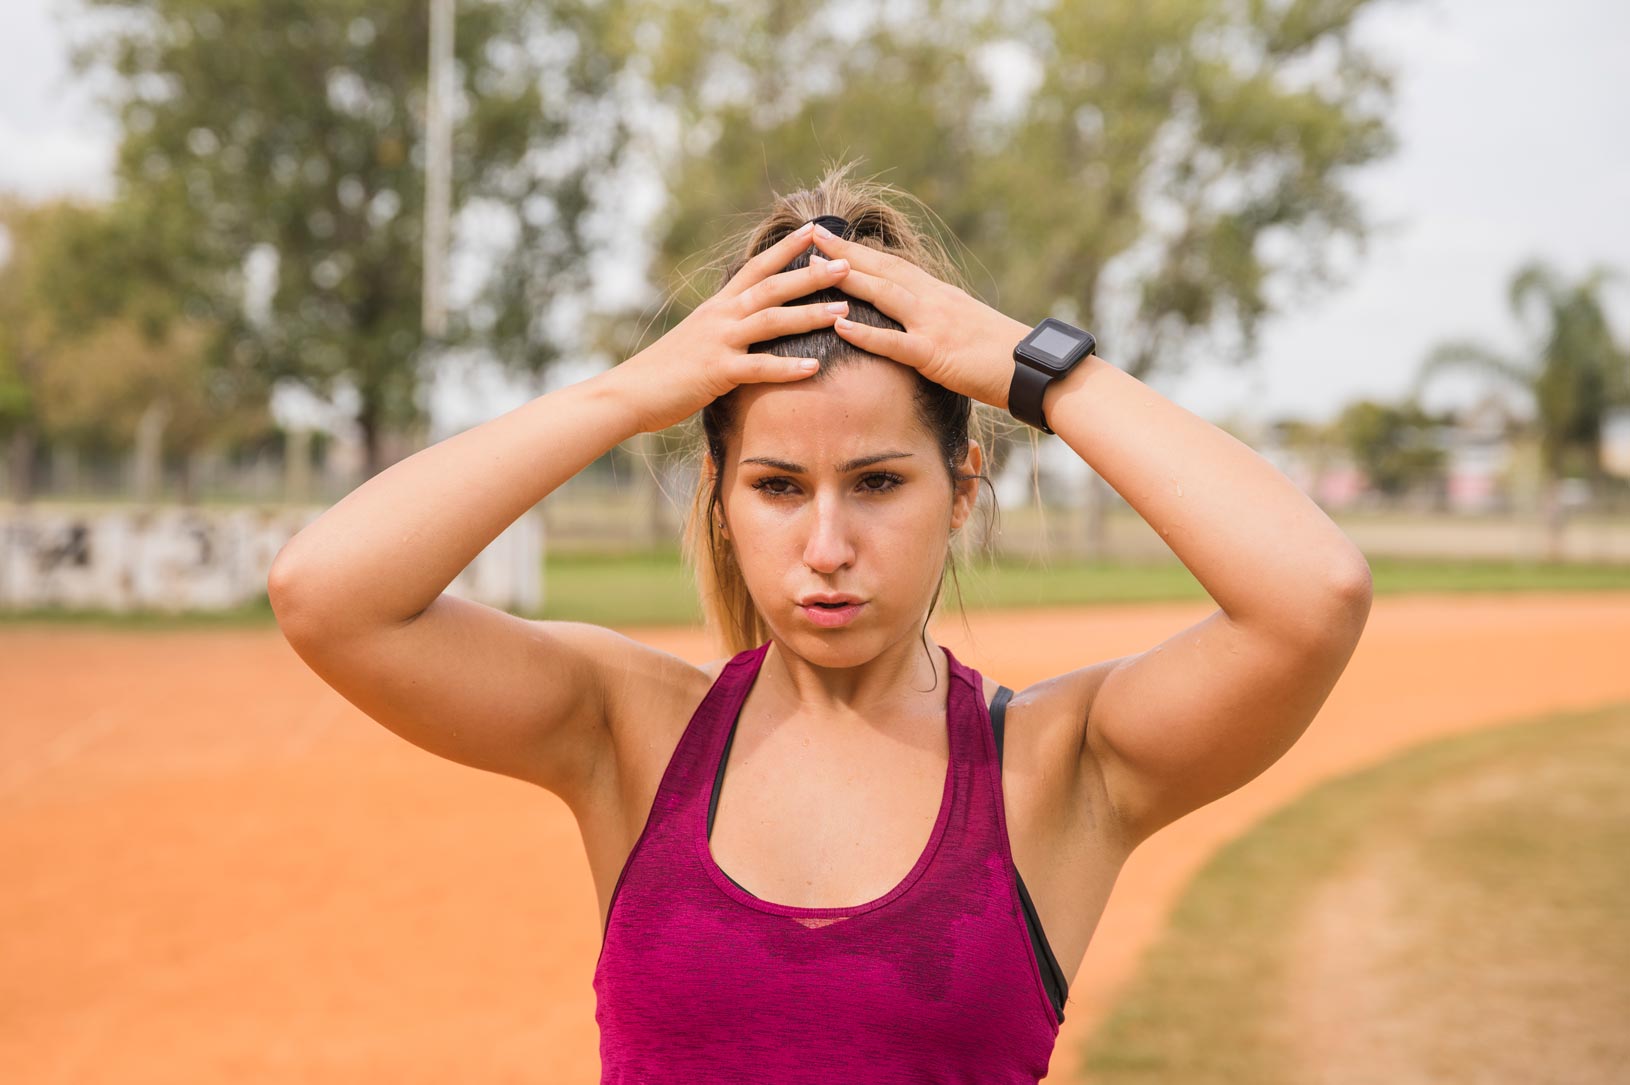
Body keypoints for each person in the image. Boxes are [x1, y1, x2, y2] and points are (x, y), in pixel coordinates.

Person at [267, 160, 1372, 1083]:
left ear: (962, 488)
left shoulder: (1055, 767)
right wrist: (628, 393)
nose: (828, 544)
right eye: (778, 486)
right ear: (721, 496)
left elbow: (1313, 593)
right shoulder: (633, 732)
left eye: (879, 482)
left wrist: (1031, 366)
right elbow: (326, 591)